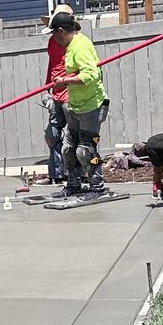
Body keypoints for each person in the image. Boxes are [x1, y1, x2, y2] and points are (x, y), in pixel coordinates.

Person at [51, 11, 109, 197]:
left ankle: (97, 187)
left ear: (60, 31)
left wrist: (64, 81)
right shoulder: (71, 46)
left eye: (53, 33)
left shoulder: (81, 46)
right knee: (68, 149)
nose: (53, 38)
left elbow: (90, 75)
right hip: (76, 106)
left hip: (92, 106)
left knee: (86, 150)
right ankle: (73, 184)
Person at [41, 5, 74, 184]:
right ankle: (56, 174)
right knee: (52, 134)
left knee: (74, 136)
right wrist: (47, 88)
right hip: (56, 93)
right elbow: (52, 64)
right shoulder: (53, 41)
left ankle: (75, 175)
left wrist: (68, 83)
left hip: (70, 93)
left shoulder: (75, 43)